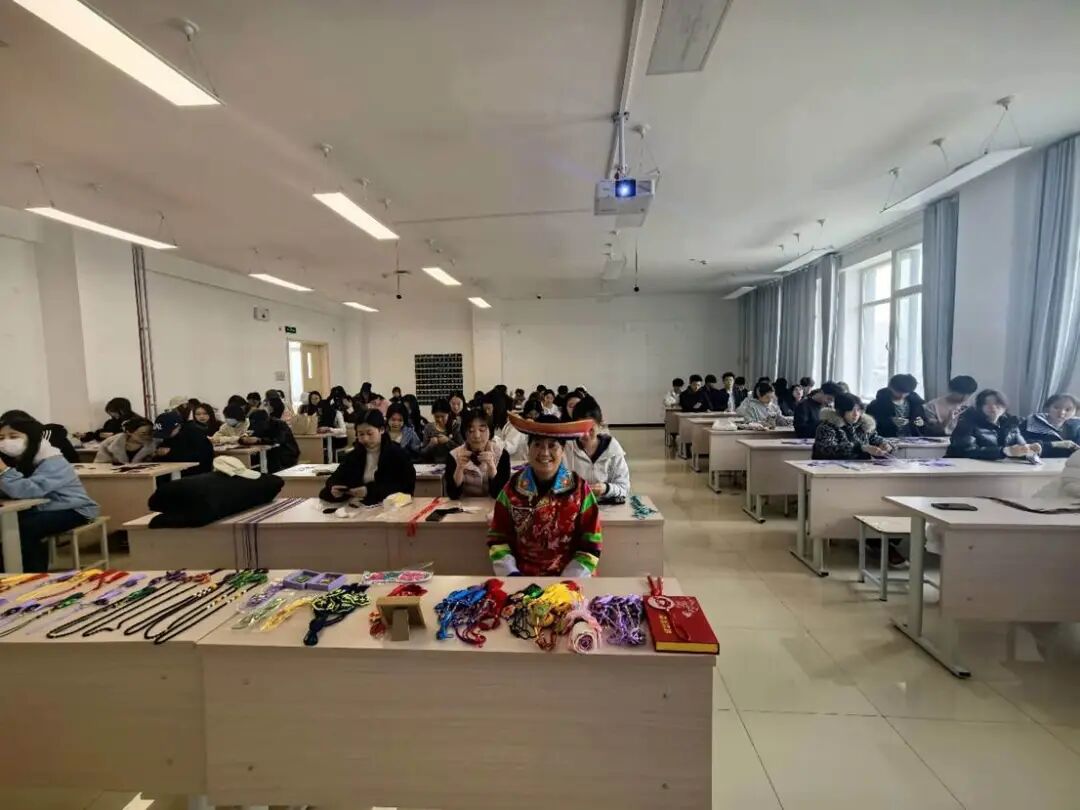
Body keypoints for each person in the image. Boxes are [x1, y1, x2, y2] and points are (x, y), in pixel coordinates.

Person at [487, 414, 602, 577]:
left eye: (552, 445)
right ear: (528, 448)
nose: (544, 452)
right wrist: (511, 574)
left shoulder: (579, 489)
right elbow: (498, 538)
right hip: (522, 579)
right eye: (537, 444)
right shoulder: (512, 489)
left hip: (572, 579)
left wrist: (568, 582)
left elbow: (592, 543)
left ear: (563, 450)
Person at [0, 415, 100, 572]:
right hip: (36, 509)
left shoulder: (53, 460)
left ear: (31, 437)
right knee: (7, 525)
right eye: (1, 438)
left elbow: (28, 491)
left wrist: (4, 471)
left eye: (13, 436)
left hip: (74, 509)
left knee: (24, 528)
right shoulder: (14, 459)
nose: (6, 442)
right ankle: (7, 573)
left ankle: (33, 576)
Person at [318, 410, 416, 505]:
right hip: (357, 508)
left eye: (370, 433)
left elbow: (405, 487)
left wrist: (369, 491)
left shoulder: (397, 454)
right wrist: (334, 487)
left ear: (381, 430)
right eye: (361, 434)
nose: (365, 439)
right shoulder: (354, 455)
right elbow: (334, 478)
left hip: (389, 508)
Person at [563, 398, 631, 500]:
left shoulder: (612, 449)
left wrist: (606, 489)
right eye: (581, 429)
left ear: (599, 425)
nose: (586, 435)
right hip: (576, 506)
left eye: (591, 429)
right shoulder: (566, 449)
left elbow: (624, 488)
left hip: (606, 506)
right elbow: (559, 486)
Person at [947, 389, 1040, 460]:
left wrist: (1030, 450)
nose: (992, 407)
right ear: (980, 406)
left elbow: (1020, 447)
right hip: (965, 470)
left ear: (1005, 406)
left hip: (999, 470)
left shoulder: (1011, 424)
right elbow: (967, 451)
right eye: (987, 403)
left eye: (997, 403)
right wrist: (1004, 451)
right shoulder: (967, 423)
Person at [445, 410, 511, 499]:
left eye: (482, 430)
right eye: (471, 430)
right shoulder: (454, 455)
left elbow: (501, 495)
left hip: (492, 506)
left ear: (490, 431)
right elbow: (453, 495)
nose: (477, 435)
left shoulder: (502, 454)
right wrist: (459, 468)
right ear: (464, 433)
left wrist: (492, 467)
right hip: (464, 505)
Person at [812, 394, 896, 460]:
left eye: (858, 410)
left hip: (861, 469)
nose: (856, 414)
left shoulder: (864, 425)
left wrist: (886, 445)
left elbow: (876, 439)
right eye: (851, 410)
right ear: (840, 411)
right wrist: (861, 448)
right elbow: (827, 449)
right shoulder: (827, 427)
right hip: (833, 470)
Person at [240, 398, 300, 472]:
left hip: (286, 453)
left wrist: (258, 440)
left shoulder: (279, 424)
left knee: (272, 457)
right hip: (267, 453)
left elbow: (278, 440)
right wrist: (244, 439)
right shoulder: (255, 424)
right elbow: (248, 434)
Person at [866, 374, 927, 439]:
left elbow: (924, 421)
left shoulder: (916, 402)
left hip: (913, 439)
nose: (902, 395)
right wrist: (890, 421)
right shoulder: (877, 404)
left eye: (906, 392)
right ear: (890, 387)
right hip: (886, 439)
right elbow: (868, 424)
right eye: (898, 392)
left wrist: (922, 423)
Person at [1022, 394, 1080, 458]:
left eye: (1068, 410)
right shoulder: (1033, 421)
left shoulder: (1076, 426)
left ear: (1075, 412)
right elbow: (1021, 446)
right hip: (1033, 462)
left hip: (1065, 463)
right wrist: (1055, 444)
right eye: (1056, 407)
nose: (1062, 412)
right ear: (1047, 408)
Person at [420, 398, 461, 463]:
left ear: (448, 414)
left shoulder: (455, 426)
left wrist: (448, 441)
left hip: (452, 464)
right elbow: (422, 452)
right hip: (433, 465)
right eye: (436, 417)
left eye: (443, 416)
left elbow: (462, 449)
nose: (440, 419)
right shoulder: (429, 428)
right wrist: (430, 445)